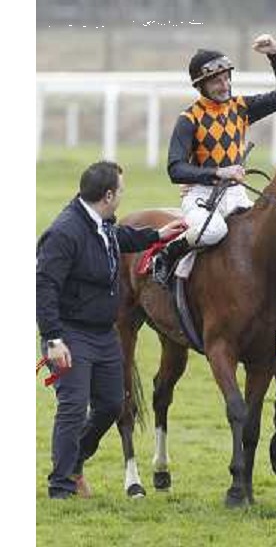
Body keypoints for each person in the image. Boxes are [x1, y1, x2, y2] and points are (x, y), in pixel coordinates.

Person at [36, 161, 184, 499]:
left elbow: (118, 238)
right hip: (71, 336)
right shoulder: (64, 232)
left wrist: (156, 235)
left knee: (111, 403)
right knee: (73, 408)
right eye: (120, 190)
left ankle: (74, 462)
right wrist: (53, 340)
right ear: (108, 195)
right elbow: (44, 288)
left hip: (104, 335)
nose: (122, 195)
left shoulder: (98, 222)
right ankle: (61, 489)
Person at [152, 33, 276, 284]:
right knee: (214, 231)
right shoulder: (189, 119)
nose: (225, 85)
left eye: (226, 78)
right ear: (201, 85)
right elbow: (175, 169)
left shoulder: (241, 107)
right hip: (200, 195)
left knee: (268, 234)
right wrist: (218, 173)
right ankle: (170, 251)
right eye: (217, 81)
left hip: (235, 195)